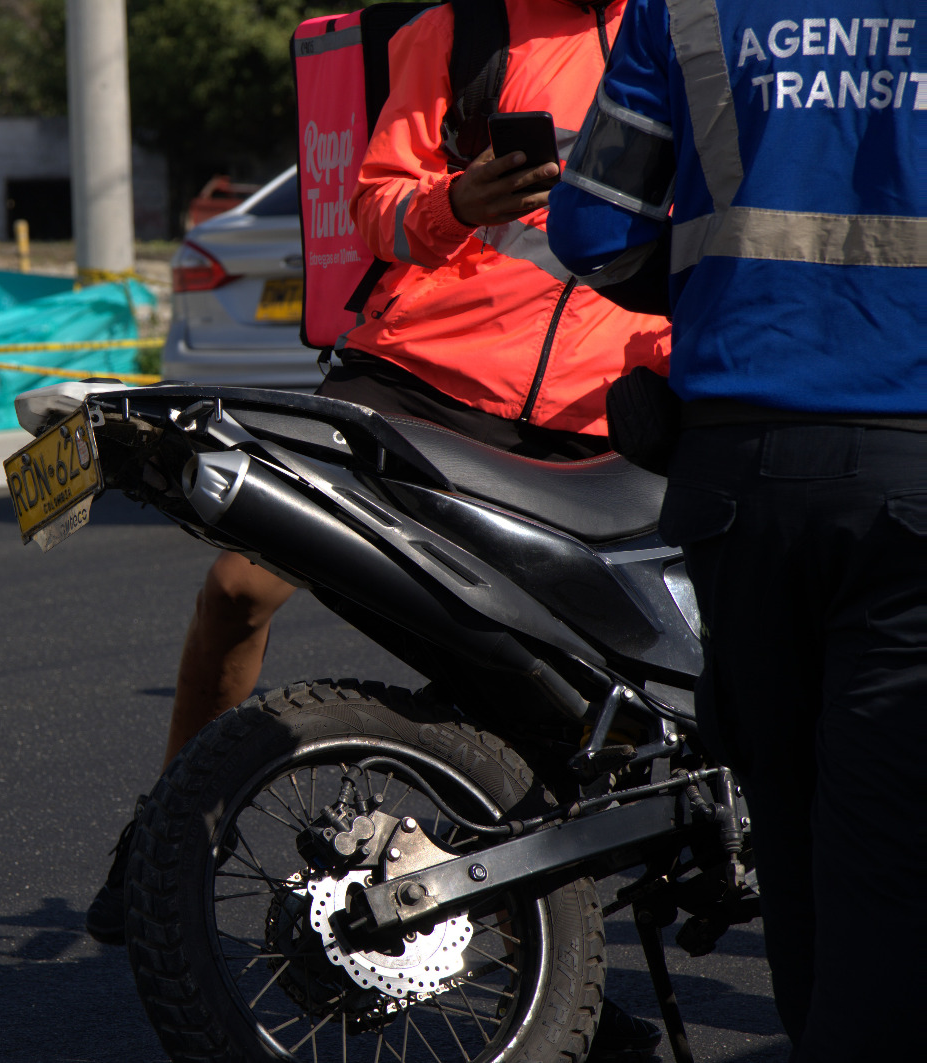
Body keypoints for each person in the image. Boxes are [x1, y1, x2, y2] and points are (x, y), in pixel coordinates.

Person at [90, 2, 671, 1057]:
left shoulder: (691, 35)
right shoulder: (463, 29)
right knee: (241, 583)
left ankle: (553, 982)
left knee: (538, 697)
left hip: (595, 414)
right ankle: (167, 831)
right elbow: (373, 208)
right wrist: (456, 201)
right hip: (420, 372)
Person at [546, 1, 924, 1059]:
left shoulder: (684, 8)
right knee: (891, 840)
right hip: (912, 471)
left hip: (739, 477)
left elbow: (592, 229)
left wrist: (727, 286)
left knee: (790, 827)